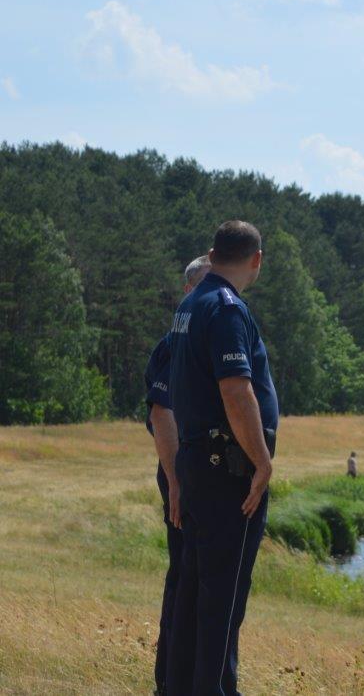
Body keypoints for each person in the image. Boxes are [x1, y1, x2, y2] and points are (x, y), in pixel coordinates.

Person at [166, 221, 278, 696]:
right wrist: (262, 462)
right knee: (222, 598)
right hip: (226, 469)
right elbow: (236, 391)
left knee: (193, 590)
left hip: (197, 462)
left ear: (213, 254)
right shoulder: (227, 308)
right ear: (256, 260)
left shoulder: (190, 304)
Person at [142, 255, 210, 695]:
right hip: (181, 474)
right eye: (204, 288)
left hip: (201, 474)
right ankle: (171, 678)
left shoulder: (203, 342)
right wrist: (177, 484)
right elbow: (161, 413)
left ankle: (190, 676)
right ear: (188, 292)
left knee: (199, 577)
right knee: (184, 575)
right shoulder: (173, 345)